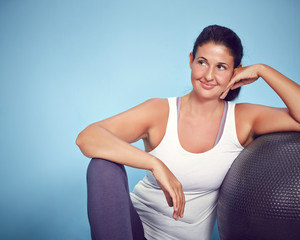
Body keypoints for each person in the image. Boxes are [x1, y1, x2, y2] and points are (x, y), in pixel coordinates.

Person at [76, 25, 300, 240]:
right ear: (191, 60)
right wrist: (155, 164)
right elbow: (87, 137)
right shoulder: (160, 111)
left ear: (237, 71)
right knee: (102, 165)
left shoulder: (243, 120)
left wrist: (263, 70)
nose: (208, 76)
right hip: (129, 231)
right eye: (202, 62)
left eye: (221, 67)